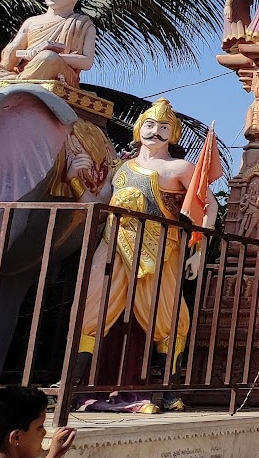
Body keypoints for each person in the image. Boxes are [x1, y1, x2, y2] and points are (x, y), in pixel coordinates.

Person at [75, 99, 209, 412]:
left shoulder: (180, 169)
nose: (155, 132)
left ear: (173, 133)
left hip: (162, 249)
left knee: (167, 315)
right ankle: (77, 385)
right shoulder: (123, 168)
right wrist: (75, 175)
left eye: (164, 127)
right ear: (139, 128)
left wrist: (198, 251)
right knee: (92, 306)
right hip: (114, 245)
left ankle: (167, 390)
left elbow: (206, 208)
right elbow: (97, 203)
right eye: (150, 125)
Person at [0, 0, 96, 87]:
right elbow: (17, 49)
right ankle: (12, 77)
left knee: (47, 57)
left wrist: (54, 57)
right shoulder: (32, 21)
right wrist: (24, 53)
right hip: (26, 68)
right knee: (12, 46)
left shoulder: (82, 24)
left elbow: (87, 62)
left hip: (60, 71)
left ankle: (19, 82)